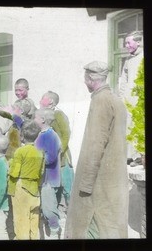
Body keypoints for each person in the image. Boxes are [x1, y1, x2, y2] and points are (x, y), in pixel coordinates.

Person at [64, 61, 128, 239]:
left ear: (91, 79)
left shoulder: (101, 101)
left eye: (85, 79)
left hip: (99, 182)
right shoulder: (115, 99)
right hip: (112, 180)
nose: (84, 83)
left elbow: (95, 146)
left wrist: (85, 185)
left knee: (92, 228)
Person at [8, 120, 44, 239]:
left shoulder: (20, 151)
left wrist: (10, 165)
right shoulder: (40, 151)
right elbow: (42, 172)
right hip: (34, 189)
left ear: (22, 136)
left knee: (21, 220)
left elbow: (14, 173)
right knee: (34, 220)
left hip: (21, 188)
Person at [39, 91, 74, 215]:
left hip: (63, 159)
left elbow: (66, 134)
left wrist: (59, 150)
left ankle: (72, 216)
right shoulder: (41, 117)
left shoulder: (58, 114)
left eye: (43, 98)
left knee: (68, 189)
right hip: (50, 159)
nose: (40, 100)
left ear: (51, 102)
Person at [34, 108, 62, 239]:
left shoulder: (50, 135)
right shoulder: (42, 133)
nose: (34, 120)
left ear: (42, 120)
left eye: (35, 118)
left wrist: (32, 158)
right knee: (44, 208)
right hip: (43, 179)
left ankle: (55, 234)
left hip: (49, 180)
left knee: (49, 210)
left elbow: (50, 158)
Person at [118, 31, 144, 163]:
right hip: (129, 101)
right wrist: (121, 99)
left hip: (141, 100)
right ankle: (132, 157)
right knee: (129, 127)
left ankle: (141, 157)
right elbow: (123, 82)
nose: (126, 45)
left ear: (138, 42)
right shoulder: (128, 60)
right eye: (125, 43)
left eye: (129, 42)